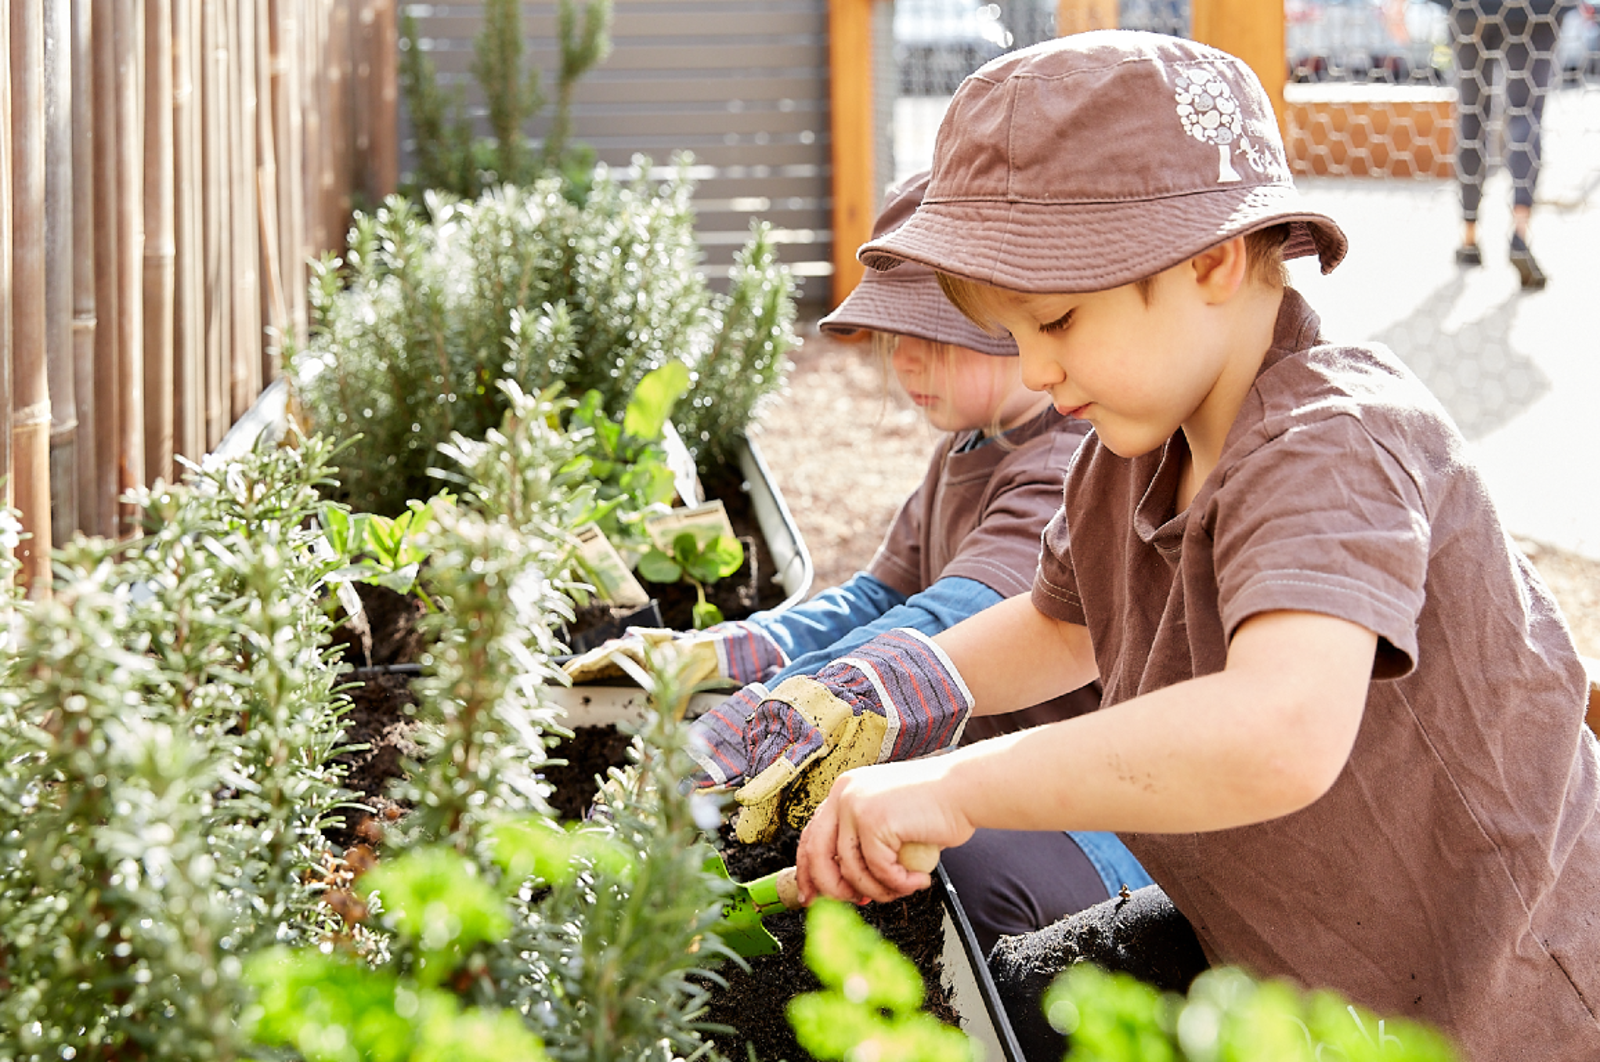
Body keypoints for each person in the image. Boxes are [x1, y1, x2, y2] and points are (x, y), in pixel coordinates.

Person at [690, 31, 1600, 1062]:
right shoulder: (1129, 450)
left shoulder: (1334, 441)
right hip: (1276, 959)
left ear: (1209, 260)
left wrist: (950, 785)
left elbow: (1276, 731)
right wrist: (878, 692)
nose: (1036, 371)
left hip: (1494, 1002)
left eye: (1059, 321)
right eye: (1016, 335)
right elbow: (1059, 623)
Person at [659, 170, 1148, 952]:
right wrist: (709, 655)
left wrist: (772, 712)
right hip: (990, 772)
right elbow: (873, 598)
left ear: (1005, 318)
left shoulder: (1061, 467)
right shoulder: (969, 445)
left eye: (932, 334)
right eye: (893, 334)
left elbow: (944, 620)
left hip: (1095, 821)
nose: (905, 362)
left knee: (944, 889)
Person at [1442, 0, 1574, 288]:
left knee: (1472, 112)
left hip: (1469, 7)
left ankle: (1469, 237)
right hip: (1536, 8)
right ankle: (1520, 234)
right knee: (1525, 113)